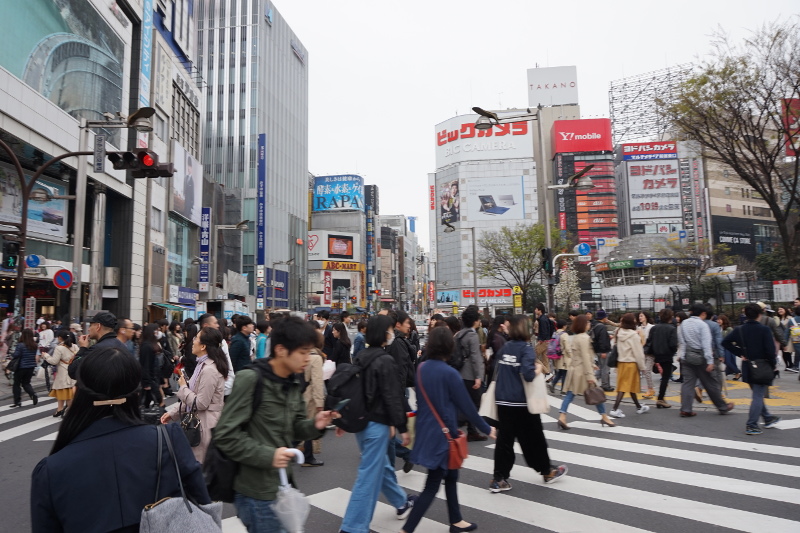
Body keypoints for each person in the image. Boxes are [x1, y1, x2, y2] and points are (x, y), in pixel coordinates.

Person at [31, 347, 210, 533]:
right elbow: (203, 510)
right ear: (137, 393)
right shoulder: (169, 441)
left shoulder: (51, 471)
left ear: (78, 392)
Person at [215, 317, 335, 533]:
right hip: (256, 494)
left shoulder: (292, 380)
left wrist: (316, 425)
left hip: (281, 487)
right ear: (281, 350)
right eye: (303, 352)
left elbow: (297, 426)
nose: (308, 359)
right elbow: (225, 435)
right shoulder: (251, 379)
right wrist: (269, 455)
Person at [400, 327, 496, 533]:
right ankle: (406, 530)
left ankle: (456, 520)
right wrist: (487, 428)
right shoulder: (450, 373)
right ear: (449, 347)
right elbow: (468, 407)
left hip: (427, 431)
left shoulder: (422, 368)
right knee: (432, 485)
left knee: (451, 475)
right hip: (443, 436)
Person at [338, 315, 416, 533]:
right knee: (369, 475)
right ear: (384, 333)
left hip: (361, 424)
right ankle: (353, 527)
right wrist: (402, 427)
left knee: (380, 466)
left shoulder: (361, 356)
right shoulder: (385, 360)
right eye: (390, 330)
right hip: (377, 425)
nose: (391, 334)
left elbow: (354, 392)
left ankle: (401, 502)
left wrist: (343, 418)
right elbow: (392, 396)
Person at [490, 315, 568, 492]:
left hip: (502, 400)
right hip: (521, 402)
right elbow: (528, 374)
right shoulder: (526, 348)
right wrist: (539, 368)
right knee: (535, 439)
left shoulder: (506, 346)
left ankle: (499, 478)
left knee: (505, 441)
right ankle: (547, 471)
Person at [161, 327, 227, 462]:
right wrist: (173, 413)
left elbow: (200, 403)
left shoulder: (209, 369)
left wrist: (183, 387)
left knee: (201, 468)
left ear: (203, 346)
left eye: (196, 338)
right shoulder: (202, 365)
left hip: (205, 426)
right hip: (198, 423)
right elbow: (194, 396)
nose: (193, 341)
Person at [722, 303, 780, 435]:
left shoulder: (739, 329)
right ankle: (752, 424)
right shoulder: (764, 330)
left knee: (757, 394)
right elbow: (770, 351)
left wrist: (740, 353)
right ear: (760, 314)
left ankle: (768, 418)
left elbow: (725, 342)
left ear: (746, 315)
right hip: (762, 366)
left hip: (747, 366)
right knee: (758, 395)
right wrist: (773, 365)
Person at [677, 304, 735, 417]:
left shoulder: (684, 324)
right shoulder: (702, 325)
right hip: (701, 357)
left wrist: (682, 356)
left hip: (687, 356)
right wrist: (710, 361)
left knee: (687, 383)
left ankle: (685, 409)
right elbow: (706, 344)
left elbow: (682, 342)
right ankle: (722, 407)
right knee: (710, 383)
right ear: (702, 314)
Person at [558, 315, 615, 429]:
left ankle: (562, 416)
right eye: (587, 322)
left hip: (575, 370)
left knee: (570, 394)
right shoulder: (584, 338)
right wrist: (590, 374)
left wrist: (593, 365)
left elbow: (580, 355)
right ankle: (604, 416)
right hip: (583, 372)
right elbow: (585, 356)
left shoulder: (576, 337)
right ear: (583, 325)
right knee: (596, 393)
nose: (589, 324)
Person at [68, 312, 130, 380]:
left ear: (98, 326)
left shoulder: (96, 349)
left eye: (91, 325)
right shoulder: (123, 347)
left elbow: (73, 371)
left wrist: (83, 348)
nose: (89, 329)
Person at [608, 313, 648, 418]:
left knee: (630, 386)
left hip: (621, 363)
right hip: (631, 363)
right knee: (624, 387)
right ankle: (614, 409)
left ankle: (639, 407)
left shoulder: (618, 332)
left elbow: (613, 345)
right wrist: (643, 367)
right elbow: (638, 353)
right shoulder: (634, 335)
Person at [455, 307, 486, 441]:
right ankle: (462, 424)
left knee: (466, 402)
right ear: (474, 321)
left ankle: (471, 430)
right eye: (478, 319)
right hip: (470, 375)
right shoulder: (472, 335)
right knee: (475, 403)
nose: (480, 322)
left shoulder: (459, 334)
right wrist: (478, 377)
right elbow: (475, 357)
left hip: (459, 372)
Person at [301, 328, 326, 467]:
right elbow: (317, 382)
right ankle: (308, 457)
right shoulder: (316, 358)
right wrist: (320, 402)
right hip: (310, 396)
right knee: (309, 427)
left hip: (299, 395)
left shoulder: (302, 354)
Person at [648, 308, 679, 408]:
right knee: (665, 377)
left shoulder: (654, 328)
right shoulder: (672, 329)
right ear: (670, 317)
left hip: (656, 355)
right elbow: (673, 344)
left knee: (663, 377)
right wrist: (673, 352)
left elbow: (650, 342)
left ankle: (661, 398)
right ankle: (660, 398)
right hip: (667, 355)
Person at [44, 330, 78, 417]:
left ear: (59, 338)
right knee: (68, 391)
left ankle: (67, 411)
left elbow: (54, 361)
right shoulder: (75, 346)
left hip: (63, 371)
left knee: (63, 391)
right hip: (73, 370)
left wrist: (46, 356)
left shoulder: (59, 348)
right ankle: (60, 409)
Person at [10, 328, 40, 408]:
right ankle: (33, 394)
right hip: (31, 366)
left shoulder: (20, 345)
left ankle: (17, 401)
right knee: (26, 383)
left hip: (21, 367)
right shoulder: (34, 345)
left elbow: (16, 355)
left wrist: (12, 353)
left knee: (16, 384)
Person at [139, 324, 164, 409]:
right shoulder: (147, 346)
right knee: (157, 400)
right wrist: (146, 383)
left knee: (146, 401)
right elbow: (145, 365)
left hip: (152, 379)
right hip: (150, 380)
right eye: (156, 331)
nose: (158, 333)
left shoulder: (149, 344)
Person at [589, 310, 613, 391]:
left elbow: (597, 338)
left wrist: (607, 336)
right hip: (603, 351)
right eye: (606, 317)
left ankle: (593, 381)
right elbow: (602, 340)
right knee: (605, 368)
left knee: (600, 367)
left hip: (597, 350)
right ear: (604, 317)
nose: (607, 318)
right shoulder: (601, 326)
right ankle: (605, 385)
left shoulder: (594, 325)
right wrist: (603, 351)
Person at [638, 311, 655, 399]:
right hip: (641, 352)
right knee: (644, 371)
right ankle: (649, 388)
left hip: (650, 352)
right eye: (639, 316)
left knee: (647, 371)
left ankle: (650, 389)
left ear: (646, 317)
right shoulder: (638, 328)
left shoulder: (652, 327)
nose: (640, 318)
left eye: (641, 316)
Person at [549, 319, 570, 394]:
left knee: (560, 372)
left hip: (557, 356)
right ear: (564, 326)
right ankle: (563, 390)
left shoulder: (555, 333)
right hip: (564, 356)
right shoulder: (564, 335)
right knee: (564, 372)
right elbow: (567, 347)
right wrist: (571, 355)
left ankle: (552, 384)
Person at [717, 314, 740, 379]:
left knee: (728, 361)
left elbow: (733, 338)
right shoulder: (719, 328)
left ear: (724, 320)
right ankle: (732, 372)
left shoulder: (729, 329)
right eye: (717, 320)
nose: (718, 321)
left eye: (719, 319)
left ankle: (737, 372)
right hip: (722, 347)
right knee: (726, 361)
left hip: (729, 347)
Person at [533, 304, 553, 374]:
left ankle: (547, 372)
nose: (535, 311)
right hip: (547, 341)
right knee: (545, 359)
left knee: (533, 355)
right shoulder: (544, 318)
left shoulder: (542, 320)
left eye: (536, 309)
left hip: (543, 341)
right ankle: (548, 376)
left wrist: (541, 339)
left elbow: (544, 331)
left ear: (539, 310)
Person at [775, 306, 794, 372]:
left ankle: (790, 364)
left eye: (781, 309)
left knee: (787, 352)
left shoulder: (790, 318)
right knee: (783, 352)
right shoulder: (777, 318)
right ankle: (787, 365)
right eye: (778, 309)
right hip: (780, 337)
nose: (780, 310)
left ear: (785, 310)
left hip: (788, 337)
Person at [785, 305, 800, 373]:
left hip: (796, 340)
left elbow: (787, 333)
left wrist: (784, 343)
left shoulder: (792, 320)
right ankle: (795, 366)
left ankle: (796, 366)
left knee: (798, 352)